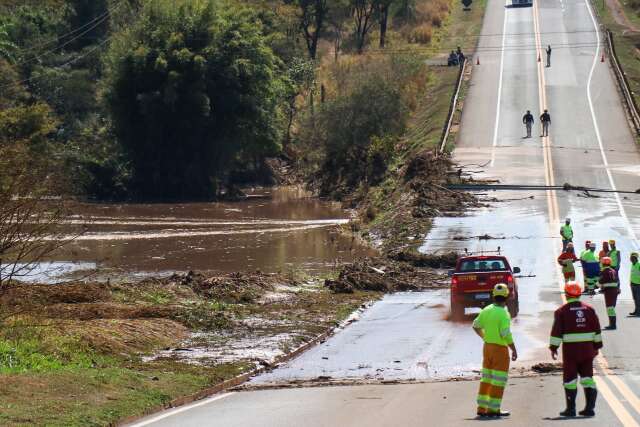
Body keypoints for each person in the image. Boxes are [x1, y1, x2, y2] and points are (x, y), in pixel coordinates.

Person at [550, 282, 602, 417]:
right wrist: (596, 347)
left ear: (567, 295)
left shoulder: (561, 311)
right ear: (579, 294)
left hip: (570, 352)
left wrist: (553, 348)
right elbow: (597, 330)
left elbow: (556, 332)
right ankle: (590, 409)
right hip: (587, 351)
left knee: (570, 380)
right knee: (587, 378)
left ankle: (571, 409)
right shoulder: (589, 310)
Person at [473, 284, 518, 418]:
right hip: (499, 349)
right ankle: (493, 410)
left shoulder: (486, 309)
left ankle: (482, 408)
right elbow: (505, 334)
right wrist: (514, 349)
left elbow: (475, 325)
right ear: (507, 296)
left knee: (486, 378)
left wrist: (484, 337)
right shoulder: (504, 313)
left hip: (487, 348)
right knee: (498, 380)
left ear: (493, 295)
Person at [599, 257, 619, 330]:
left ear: (603, 263)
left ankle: (613, 325)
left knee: (610, 308)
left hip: (609, 291)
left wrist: (597, 286)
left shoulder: (604, 271)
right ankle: (612, 324)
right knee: (611, 307)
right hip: (614, 291)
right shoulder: (613, 270)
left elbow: (601, 281)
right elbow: (617, 281)